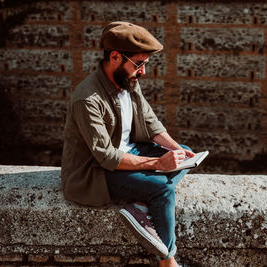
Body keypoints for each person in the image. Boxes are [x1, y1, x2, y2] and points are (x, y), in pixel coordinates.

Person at [61, 21, 194, 267]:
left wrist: (177, 150)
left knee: (182, 155)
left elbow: (151, 124)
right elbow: (106, 157)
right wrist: (157, 162)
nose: (143, 71)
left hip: (128, 153)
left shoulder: (128, 81)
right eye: (139, 64)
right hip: (95, 172)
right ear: (114, 57)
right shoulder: (87, 98)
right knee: (163, 190)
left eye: (144, 64)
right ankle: (168, 261)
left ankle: (140, 205)